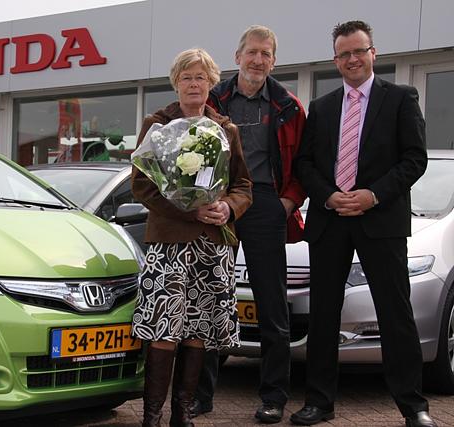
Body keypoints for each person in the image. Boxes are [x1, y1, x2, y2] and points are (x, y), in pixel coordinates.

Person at [290, 20, 436, 427]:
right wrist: (327, 195)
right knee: (323, 314)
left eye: (359, 51)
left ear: (373, 53)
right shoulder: (322, 107)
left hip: (381, 221)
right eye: (344, 54)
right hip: (330, 220)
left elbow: (415, 159)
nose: (352, 59)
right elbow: (305, 163)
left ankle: (413, 406)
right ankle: (319, 402)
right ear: (335, 60)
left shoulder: (401, 98)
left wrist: (373, 195)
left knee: (395, 313)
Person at [191, 25, 306, 424]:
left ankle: (273, 397)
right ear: (237, 57)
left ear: (274, 61)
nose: (258, 60)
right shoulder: (214, 99)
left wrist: (287, 204)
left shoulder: (289, 106)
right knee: (211, 297)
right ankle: (200, 395)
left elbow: (304, 162)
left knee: (272, 305)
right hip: (220, 203)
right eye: (252, 52)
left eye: (266, 54)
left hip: (265, 206)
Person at [131, 48, 253, 427]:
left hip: (211, 244)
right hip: (169, 242)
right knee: (164, 328)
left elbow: (243, 185)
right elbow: (142, 185)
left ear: (212, 83)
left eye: (201, 77)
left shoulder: (226, 130)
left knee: (197, 330)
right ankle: (152, 416)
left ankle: (183, 414)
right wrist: (189, 210)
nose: (194, 84)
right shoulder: (157, 126)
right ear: (176, 83)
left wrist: (228, 207)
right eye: (187, 77)